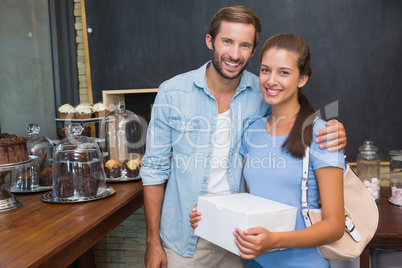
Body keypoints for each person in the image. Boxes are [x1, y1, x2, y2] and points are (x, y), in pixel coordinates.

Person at [141, 6, 347, 268]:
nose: (234, 54)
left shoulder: (261, 95)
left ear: (252, 50)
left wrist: (331, 130)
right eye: (227, 41)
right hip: (187, 237)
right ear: (210, 41)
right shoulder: (173, 93)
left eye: (245, 45)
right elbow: (154, 170)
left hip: (242, 244)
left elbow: (296, 115)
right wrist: (152, 243)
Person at [190, 33, 345, 268]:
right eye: (265, 70)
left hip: (302, 263)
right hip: (254, 261)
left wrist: (274, 241)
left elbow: (334, 226)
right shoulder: (252, 131)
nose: (271, 80)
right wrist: (208, 214)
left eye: (284, 72)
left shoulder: (321, 134)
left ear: (302, 78)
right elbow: (247, 202)